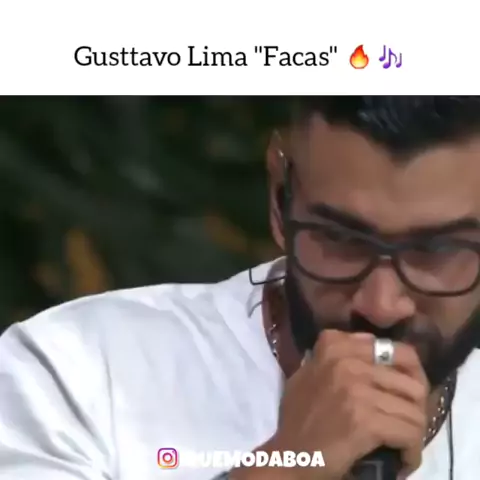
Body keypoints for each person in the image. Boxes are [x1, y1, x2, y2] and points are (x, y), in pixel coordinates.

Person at [1, 97, 480, 480]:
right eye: (339, 239)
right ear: (279, 200)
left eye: (437, 251)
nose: (380, 305)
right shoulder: (72, 373)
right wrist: (286, 467)